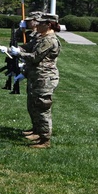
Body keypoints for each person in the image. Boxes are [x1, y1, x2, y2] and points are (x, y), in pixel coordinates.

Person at [5, 13, 61, 149]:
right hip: (37, 76)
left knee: (42, 109)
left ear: (48, 25)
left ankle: (45, 139)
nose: (37, 25)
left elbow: (35, 57)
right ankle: (38, 132)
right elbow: (29, 46)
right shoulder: (42, 38)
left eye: (40, 23)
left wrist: (19, 54)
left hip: (45, 78)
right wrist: (14, 49)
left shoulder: (49, 40)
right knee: (34, 106)